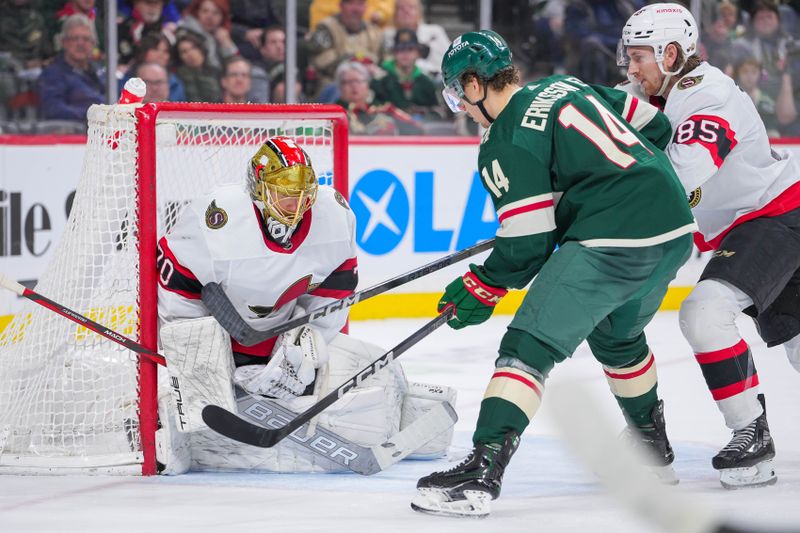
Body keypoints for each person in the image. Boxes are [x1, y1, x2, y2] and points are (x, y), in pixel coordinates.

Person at [411, 29, 696, 518]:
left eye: (461, 93)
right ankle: (652, 452)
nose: (463, 106)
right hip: (673, 232)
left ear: (477, 84)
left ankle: (480, 471)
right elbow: (656, 126)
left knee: (527, 347)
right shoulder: (565, 85)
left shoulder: (504, 140)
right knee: (617, 337)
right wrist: (589, 193)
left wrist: (484, 284)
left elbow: (527, 245)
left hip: (613, 239)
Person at [155, 136, 455, 474]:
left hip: (276, 336)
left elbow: (335, 292)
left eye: (302, 193)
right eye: (284, 193)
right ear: (258, 188)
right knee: (182, 403)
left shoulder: (334, 215)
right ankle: (172, 441)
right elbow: (176, 288)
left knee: (375, 366)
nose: (295, 204)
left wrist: (304, 342)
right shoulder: (218, 217)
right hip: (211, 335)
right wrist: (201, 359)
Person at [617, 2, 800, 489]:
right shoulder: (651, 90)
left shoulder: (708, 96)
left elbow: (683, 176)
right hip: (770, 214)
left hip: (774, 215)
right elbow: (593, 114)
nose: (630, 67)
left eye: (638, 57)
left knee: (704, 312)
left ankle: (751, 435)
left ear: (670, 53)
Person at [37, 14, 104, 121]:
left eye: (86, 39)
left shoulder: (101, 73)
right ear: (64, 43)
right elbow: (53, 110)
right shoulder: (53, 74)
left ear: (93, 43)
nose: (80, 44)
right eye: (74, 38)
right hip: (74, 133)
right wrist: (92, 116)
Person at [372, 28, 440, 118]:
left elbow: (435, 111)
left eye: (410, 49)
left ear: (418, 53)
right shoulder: (381, 79)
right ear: (394, 53)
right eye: (400, 49)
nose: (405, 53)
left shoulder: (425, 81)